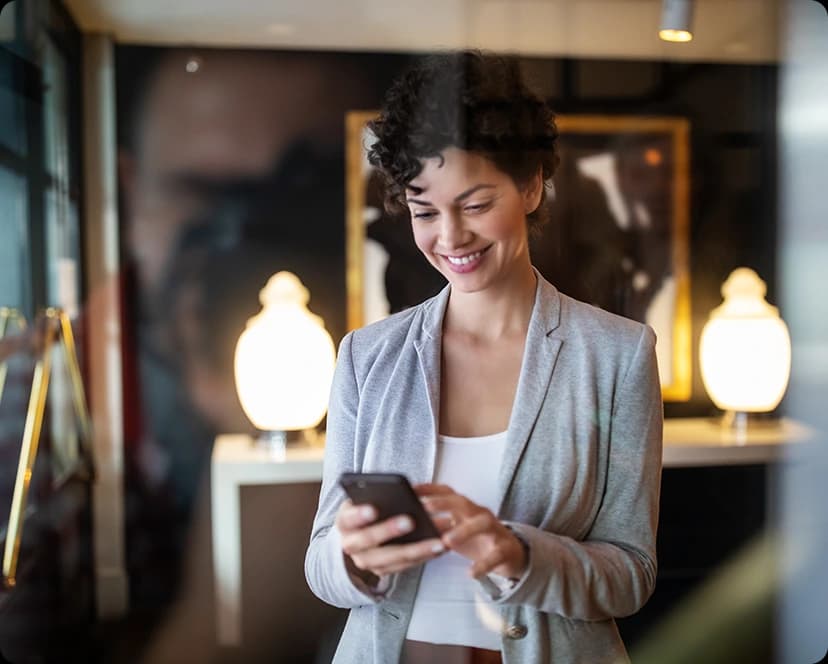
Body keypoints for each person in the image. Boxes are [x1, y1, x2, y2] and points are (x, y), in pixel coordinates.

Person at [305, 51, 663, 664]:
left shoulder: (617, 355)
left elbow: (631, 574)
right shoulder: (367, 357)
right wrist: (353, 558)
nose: (450, 237)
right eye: (424, 211)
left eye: (473, 204)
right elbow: (320, 563)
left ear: (529, 185)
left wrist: (521, 554)